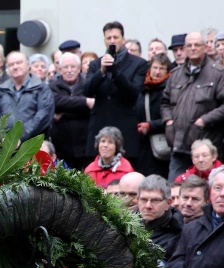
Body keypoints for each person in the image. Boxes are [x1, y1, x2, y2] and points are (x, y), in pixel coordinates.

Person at [161, 31, 224, 181]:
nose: (193, 48)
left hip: (206, 148)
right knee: (175, 191)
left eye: (197, 45)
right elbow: (164, 102)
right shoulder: (175, 74)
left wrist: (204, 120)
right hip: (178, 145)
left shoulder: (217, 74)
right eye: (189, 45)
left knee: (206, 194)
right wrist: (169, 122)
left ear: (205, 47)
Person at [85, 21, 149, 161]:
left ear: (123, 39)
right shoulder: (96, 64)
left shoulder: (139, 63)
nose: (112, 41)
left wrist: (115, 71)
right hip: (99, 126)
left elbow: (133, 93)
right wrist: (101, 72)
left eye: (116, 37)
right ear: (104, 40)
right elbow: (87, 91)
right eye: (109, 38)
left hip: (124, 127)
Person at [0, 51, 55, 142]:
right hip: (4, 146)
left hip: (34, 145)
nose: (15, 67)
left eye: (19, 63)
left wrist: (20, 137)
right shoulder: (0, 90)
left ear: (28, 65)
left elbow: (43, 116)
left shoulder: (42, 88)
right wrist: (2, 136)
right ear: (7, 70)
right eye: (11, 64)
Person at [49, 52, 93, 169]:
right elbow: (56, 102)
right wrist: (85, 102)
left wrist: (64, 110)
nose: (69, 70)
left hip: (85, 144)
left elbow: (93, 107)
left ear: (79, 68)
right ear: (59, 69)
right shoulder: (53, 86)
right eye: (65, 67)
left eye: (73, 67)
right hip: (62, 145)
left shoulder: (88, 85)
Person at [135, 53, 172, 177]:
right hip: (143, 146)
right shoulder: (144, 89)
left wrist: (151, 125)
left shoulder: (170, 89)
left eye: (161, 68)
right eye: (155, 68)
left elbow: (173, 116)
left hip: (163, 142)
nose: (157, 72)